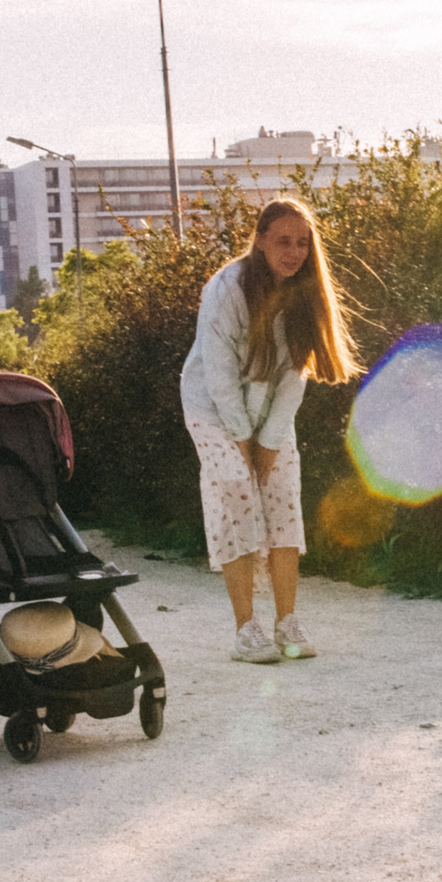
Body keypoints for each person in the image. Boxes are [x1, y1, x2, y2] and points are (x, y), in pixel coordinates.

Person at [179, 196, 360, 663]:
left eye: (302, 242)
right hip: (213, 410)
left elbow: (294, 375)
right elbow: (218, 375)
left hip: (269, 410)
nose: (294, 251)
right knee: (236, 496)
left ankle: (287, 623)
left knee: (282, 499)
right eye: (283, 240)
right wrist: (242, 440)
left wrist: (270, 441)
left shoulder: (304, 290)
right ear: (259, 241)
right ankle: (247, 630)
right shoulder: (226, 290)